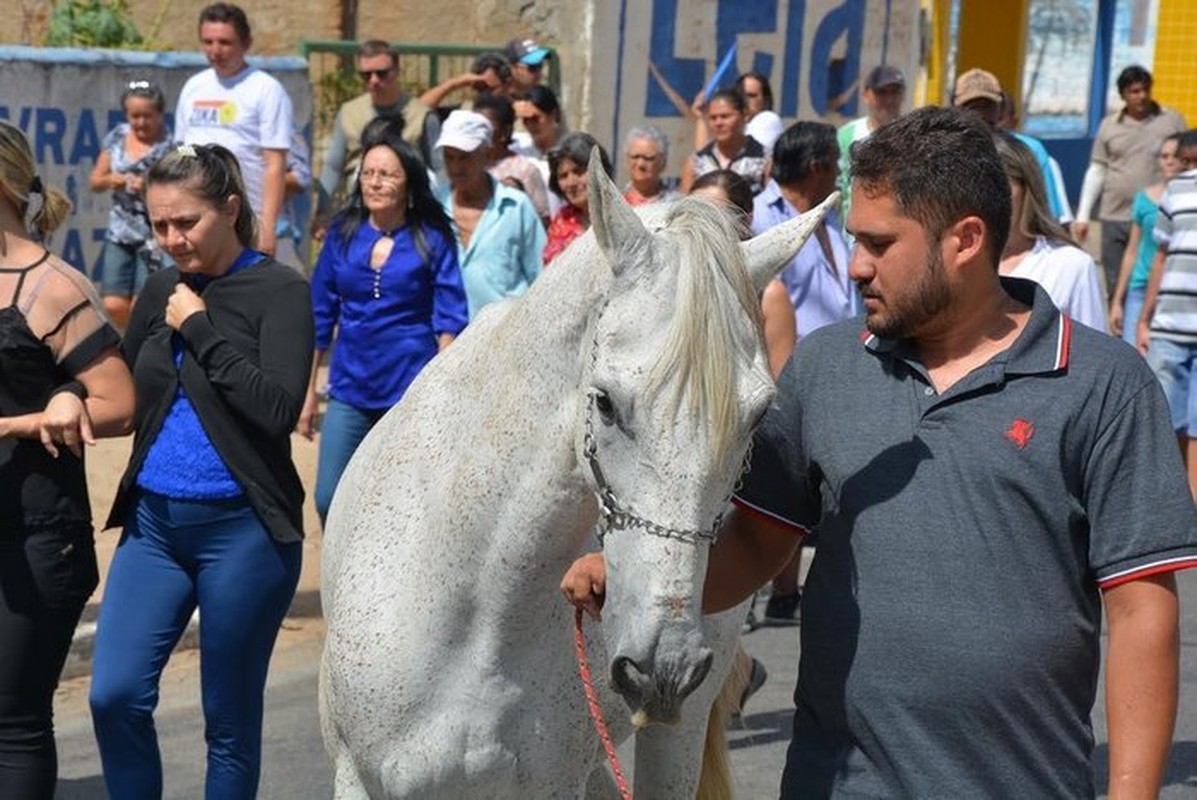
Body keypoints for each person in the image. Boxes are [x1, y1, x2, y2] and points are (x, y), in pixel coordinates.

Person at [563, 106, 1197, 798]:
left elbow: (1141, 611)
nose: (856, 267)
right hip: (835, 783)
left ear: (965, 239)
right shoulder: (824, 367)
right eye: (851, 240)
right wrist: (636, 581)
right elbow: (754, 544)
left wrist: (1131, 792)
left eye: (878, 243)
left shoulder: (1100, 383)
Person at [87, 143, 314, 800]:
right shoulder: (159, 287)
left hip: (244, 534)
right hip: (155, 528)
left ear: (231, 210)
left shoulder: (281, 290)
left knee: (229, 724)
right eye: (159, 225)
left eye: (185, 222)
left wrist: (204, 328)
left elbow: (275, 409)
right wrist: (70, 394)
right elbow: (125, 393)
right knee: (114, 695)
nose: (170, 238)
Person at [0, 120, 134, 800]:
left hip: (33, 537)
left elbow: (118, 402)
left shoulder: (51, 286)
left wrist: (38, 414)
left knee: (12, 721)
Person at [300, 131, 468, 523]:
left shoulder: (432, 237)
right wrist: (308, 393)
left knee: (407, 501)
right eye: (368, 173)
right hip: (350, 388)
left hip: (410, 390)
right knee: (329, 497)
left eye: (386, 174)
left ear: (408, 181)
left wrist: (438, 391)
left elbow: (450, 318)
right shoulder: (342, 233)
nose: (374, 182)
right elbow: (320, 316)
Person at [750, 120, 859, 624]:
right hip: (786, 372)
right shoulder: (760, 217)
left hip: (840, 371)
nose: (840, 176)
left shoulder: (831, 221)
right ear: (815, 166)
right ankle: (756, 591)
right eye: (835, 166)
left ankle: (788, 593)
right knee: (781, 482)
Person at [175, 2, 292, 257]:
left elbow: (275, 163)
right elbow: (181, 148)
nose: (215, 50)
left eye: (225, 42)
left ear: (246, 43)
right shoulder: (194, 87)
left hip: (245, 218)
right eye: (208, 42)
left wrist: (267, 226)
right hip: (197, 217)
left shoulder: (265, 89)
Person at [1074, 65, 1188, 296]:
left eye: (1145, 89)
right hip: (1114, 215)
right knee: (1116, 283)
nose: (1142, 96)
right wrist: (1083, 216)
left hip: (1156, 214)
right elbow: (1097, 169)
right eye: (1134, 91)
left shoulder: (1172, 120)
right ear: (1123, 95)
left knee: (1153, 279)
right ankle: (1118, 329)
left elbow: (1188, 162)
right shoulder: (1109, 125)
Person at [994, 132, 1108, 332]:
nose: (987, 200)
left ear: (1027, 190)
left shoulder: (1071, 266)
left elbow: (1093, 354)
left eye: (1000, 187)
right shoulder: (950, 263)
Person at [317, 39, 441, 221]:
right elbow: (333, 167)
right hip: (359, 209)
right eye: (366, 75)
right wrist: (321, 211)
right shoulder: (349, 113)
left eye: (382, 74)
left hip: (410, 212)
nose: (374, 81)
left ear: (397, 71)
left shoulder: (422, 116)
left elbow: (440, 168)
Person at [437, 110, 545, 318]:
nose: (456, 167)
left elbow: (540, 275)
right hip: (447, 339)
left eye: (465, 157)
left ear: (487, 155)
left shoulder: (516, 207)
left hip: (505, 336)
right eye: (449, 157)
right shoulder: (434, 205)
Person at [1138, 128, 1197, 499]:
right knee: (1163, 420)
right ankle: (1172, 501)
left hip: (1171, 322)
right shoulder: (1176, 190)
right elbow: (1159, 256)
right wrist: (1145, 317)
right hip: (1170, 325)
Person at [89, 80, 172, 329]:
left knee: (141, 305)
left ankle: (137, 353)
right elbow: (95, 180)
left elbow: (178, 190)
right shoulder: (116, 137)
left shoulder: (172, 146)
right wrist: (110, 180)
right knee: (113, 304)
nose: (141, 122)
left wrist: (149, 187)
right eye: (134, 116)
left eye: (147, 116)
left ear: (160, 114)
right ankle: (129, 341)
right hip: (120, 232)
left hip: (153, 236)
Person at [952, 68, 1070, 222]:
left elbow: (1049, 214)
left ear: (1000, 108)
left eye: (987, 105)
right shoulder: (945, 152)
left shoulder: (1027, 150)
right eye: (971, 105)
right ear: (955, 108)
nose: (980, 113)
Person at [1110, 133, 1182, 344]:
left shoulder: (1188, 200)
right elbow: (1132, 251)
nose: (1169, 161)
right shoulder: (1144, 198)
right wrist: (1117, 301)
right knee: (1132, 356)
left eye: (1175, 156)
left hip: (1174, 290)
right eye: (1164, 156)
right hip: (1140, 287)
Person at [836, 64, 904, 224]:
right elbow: (838, 190)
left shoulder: (914, 135)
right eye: (881, 93)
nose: (889, 100)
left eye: (894, 92)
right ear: (866, 95)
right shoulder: (846, 136)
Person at [475, 92, 550, 224]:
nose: (479, 132)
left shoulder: (525, 171)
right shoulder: (467, 166)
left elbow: (542, 221)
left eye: (486, 126)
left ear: (505, 132)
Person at [543, 132, 613, 265]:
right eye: (563, 176)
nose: (571, 183)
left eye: (578, 171)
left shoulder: (621, 215)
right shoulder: (560, 223)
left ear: (599, 170)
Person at [682, 88, 768, 195]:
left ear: (744, 116)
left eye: (725, 116)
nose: (718, 123)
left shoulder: (764, 159)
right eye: (713, 118)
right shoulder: (697, 162)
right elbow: (685, 206)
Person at [419, 52, 514, 111]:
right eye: (480, 89)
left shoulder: (517, 114)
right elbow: (419, 111)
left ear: (507, 85)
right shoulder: (464, 112)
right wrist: (453, 84)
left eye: (490, 89)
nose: (484, 95)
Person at [622, 123, 680, 207]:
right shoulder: (613, 201)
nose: (640, 164)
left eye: (648, 158)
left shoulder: (675, 205)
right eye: (635, 156)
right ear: (626, 159)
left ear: (662, 162)